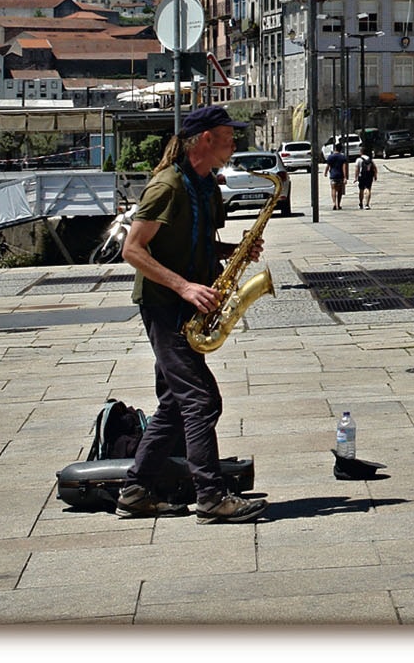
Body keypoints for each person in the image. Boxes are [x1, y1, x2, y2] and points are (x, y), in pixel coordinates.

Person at [116, 104, 268, 523]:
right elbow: (132, 249)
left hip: (189, 305)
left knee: (174, 404)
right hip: (165, 307)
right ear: (204, 139)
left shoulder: (207, 186)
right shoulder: (167, 186)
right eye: (228, 136)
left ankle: (136, 491)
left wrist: (233, 252)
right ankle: (211, 497)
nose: (234, 143)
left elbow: (196, 243)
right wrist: (183, 286)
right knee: (201, 400)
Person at [325, 143, 349, 210]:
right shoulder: (343, 157)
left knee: (333, 189)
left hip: (333, 175)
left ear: (335, 148)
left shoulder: (330, 157)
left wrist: (325, 172)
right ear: (341, 149)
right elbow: (344, 168)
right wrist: (345, 177)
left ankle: (334, 203)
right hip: (340, 176)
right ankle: (338, 204)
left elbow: (328, 166)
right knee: (340, 191)